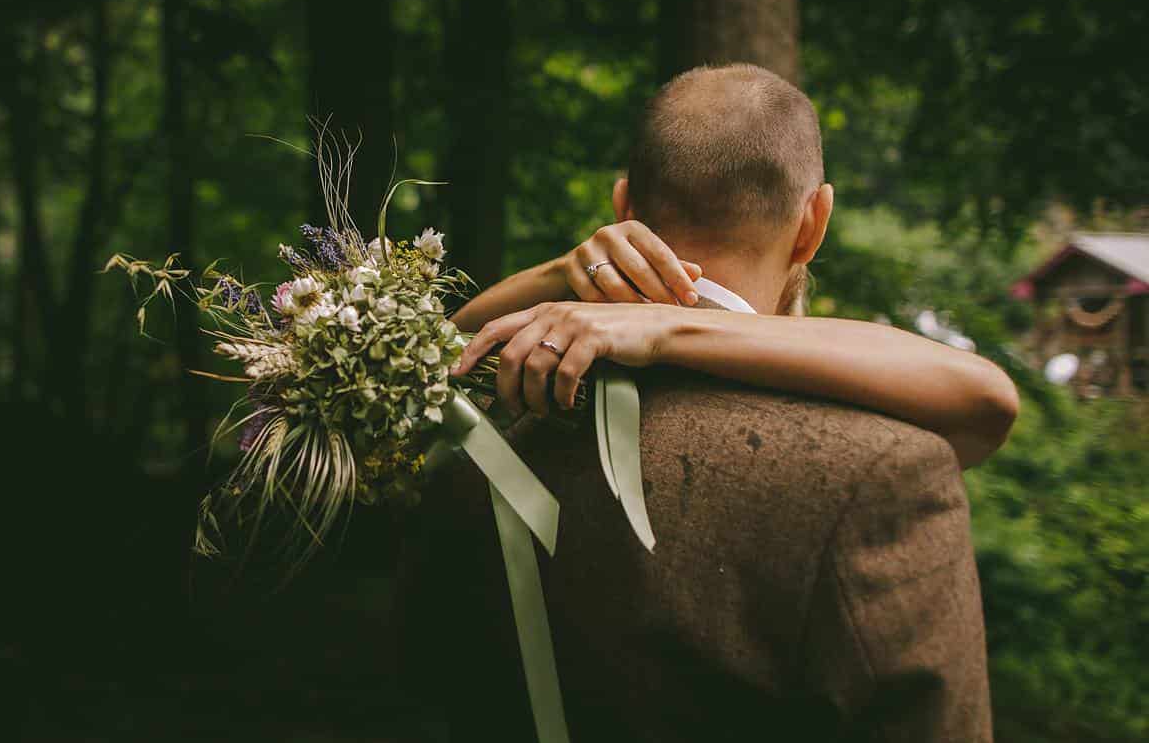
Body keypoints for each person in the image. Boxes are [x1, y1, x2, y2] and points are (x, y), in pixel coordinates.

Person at [403, 63, 1005, 742]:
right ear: (814, 223)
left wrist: (622, 307)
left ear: (624, 205)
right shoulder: (883, 474)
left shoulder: (482, 440)